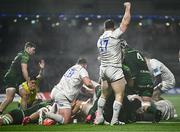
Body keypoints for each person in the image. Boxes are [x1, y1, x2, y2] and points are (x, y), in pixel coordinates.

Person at [95, 2, 131, 125]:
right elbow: (125, 22)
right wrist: (128, 7)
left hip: (103, 69)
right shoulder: (114, 35)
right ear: (113, 27)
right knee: (119, 94)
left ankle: (99, 117)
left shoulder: (100, 39)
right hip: (113, 68)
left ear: (104, 27)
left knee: (103, 95)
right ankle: (114, 120)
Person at [48, 58, 95, 124]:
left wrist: (88, 91)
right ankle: (47, 114)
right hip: (62, 96)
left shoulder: (72, 68)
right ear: (85, 65)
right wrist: (95, 88)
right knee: (65, 121)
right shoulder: (82, 69)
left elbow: (79, 87)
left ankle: (51, 113)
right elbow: (88, 83)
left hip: (56, 91)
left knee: (59, 119)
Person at [0, 42, 36, 114]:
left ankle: (23, 114)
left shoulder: (22, 54)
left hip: (15, 79)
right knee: (10, 98)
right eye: (33, 50)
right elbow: (24, 70)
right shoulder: (25, 56)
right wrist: (28, 82)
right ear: (28, 48)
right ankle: (22, 114)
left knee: (25, 95)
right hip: (13, 79)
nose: (34, 52)